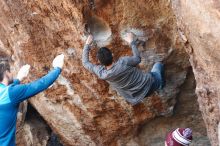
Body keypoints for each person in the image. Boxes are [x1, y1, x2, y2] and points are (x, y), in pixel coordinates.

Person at [82, 32, 164, 105]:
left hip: (137, 97)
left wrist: (87, 44)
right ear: (112, 55)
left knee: (152, 74)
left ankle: (159, 85)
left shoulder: (102, 73)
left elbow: (85, 62)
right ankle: (161, 84)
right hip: (150, 85)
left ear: (100, 62)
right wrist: (132, 42)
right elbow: (137, 59)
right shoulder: (123, 62)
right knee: (158, 64)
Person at [0, 54, 64, 146]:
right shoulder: (11, 93)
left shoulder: (6, 92)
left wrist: (18, 79)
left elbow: (8, 92)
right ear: (6, 73)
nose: (12, 74)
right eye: (10, 72)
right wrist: (57, 68)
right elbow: (39, 85)